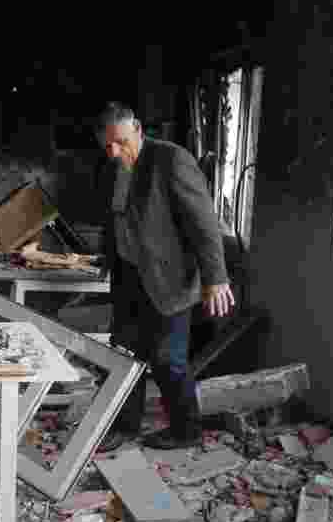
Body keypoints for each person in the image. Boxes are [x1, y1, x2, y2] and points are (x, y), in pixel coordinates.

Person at [93, 102, 234, 450]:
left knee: (168, 359)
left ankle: (186, 431)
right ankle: (126, 426)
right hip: (129, 275)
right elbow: (113, 218)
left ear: (139, 129)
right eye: (107, 145)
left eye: (121, 142)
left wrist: (216, 278)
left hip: (169, 277)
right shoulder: (113, 166)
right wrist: (107, 258)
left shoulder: (171, 160)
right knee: (125, 354)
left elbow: (204, 223)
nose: (114, 152)